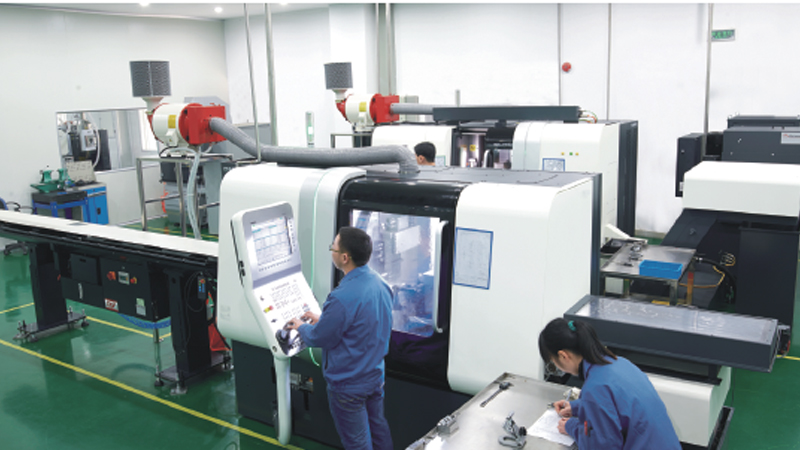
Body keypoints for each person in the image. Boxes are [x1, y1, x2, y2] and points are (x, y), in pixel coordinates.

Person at [285, 227, 393, 450]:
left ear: (345, 258)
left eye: (333, 247)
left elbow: (319, 337)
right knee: (378, 429)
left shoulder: (341, 297)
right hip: (374, 375)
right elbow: (361, 322)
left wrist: (301, 327)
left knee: (357, 442)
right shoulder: (380, 284)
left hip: (349, 384)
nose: (331, 250)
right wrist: (324, 319)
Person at [538, 318, 681, 450]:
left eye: (554, 363)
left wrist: (572, 427)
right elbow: (617, 406)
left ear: (563, 356)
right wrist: (578, 407)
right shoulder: (619, 363)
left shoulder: (595, 388)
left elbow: (602, 445)